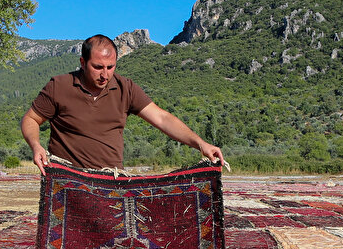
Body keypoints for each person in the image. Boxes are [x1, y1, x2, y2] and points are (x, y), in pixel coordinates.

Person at [21, 34, 224, 175]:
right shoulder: (59, 85)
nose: (105, 74)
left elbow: (162, 118)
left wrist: (201, 144)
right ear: (83, 63)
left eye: (111, 67)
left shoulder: (126, 87)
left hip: (111, 180)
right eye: (98, 67)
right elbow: (31, 119)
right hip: (66, 178)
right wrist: (36, 146)